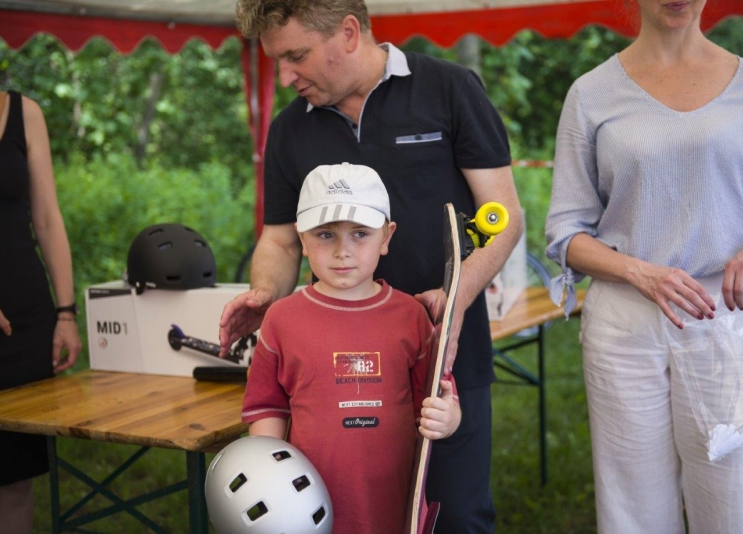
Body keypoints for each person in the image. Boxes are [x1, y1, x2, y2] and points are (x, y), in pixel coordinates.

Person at [220, 2, 523, 530]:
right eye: (276, 61)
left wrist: (455, 300)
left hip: (441, 354)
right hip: (335, 369)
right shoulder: (290, 128)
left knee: (457, 514)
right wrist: (265, 293)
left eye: (296, 56)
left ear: (348, 33)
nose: (285, 77)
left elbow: (506, 217)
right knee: (347, 509)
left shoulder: (449, 89)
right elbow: (281, 240)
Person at [545, 0, 743, 532]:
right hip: (624, 325)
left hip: (729, 315)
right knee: (633, 512)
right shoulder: (590, 93)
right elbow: (566, 233)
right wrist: (638, 272)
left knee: (734, 510)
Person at [242, 162, 462, 533]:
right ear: (302, 238)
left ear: (386, 237)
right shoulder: (281, 319)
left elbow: (440, 396)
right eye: (325, 234)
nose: (342, 251)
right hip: (307, 508)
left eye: (360, 233)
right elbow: (266, 406)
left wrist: (449, 418)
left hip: (393, 506)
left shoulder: (410, 316)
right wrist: (269, 475)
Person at [0, 3, 82, 532]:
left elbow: (47, 218)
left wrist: (65, 313)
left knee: (17, 480)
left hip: (22, 321)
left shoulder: (24, 112)